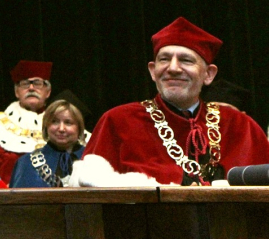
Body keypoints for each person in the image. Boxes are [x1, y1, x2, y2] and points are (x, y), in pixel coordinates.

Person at [72, 17, 269, 186]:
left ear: (209, 74)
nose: (173, 68)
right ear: (152, 71)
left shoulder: (241, 127)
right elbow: (89, 201)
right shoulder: (118, 122)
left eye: (186, 60)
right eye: (164, 59)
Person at [0, 60, 53, 183]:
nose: (31, 88)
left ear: (48, 92)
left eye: (37, 83)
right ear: (17, 92)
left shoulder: (63, 124)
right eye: (25, 84)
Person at [9, 99, 86, 188]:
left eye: (68, 123)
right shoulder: (26, 163)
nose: (61, 129)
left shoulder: (91, 160)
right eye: (54, 122)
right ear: (46, 126)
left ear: (79, 128)